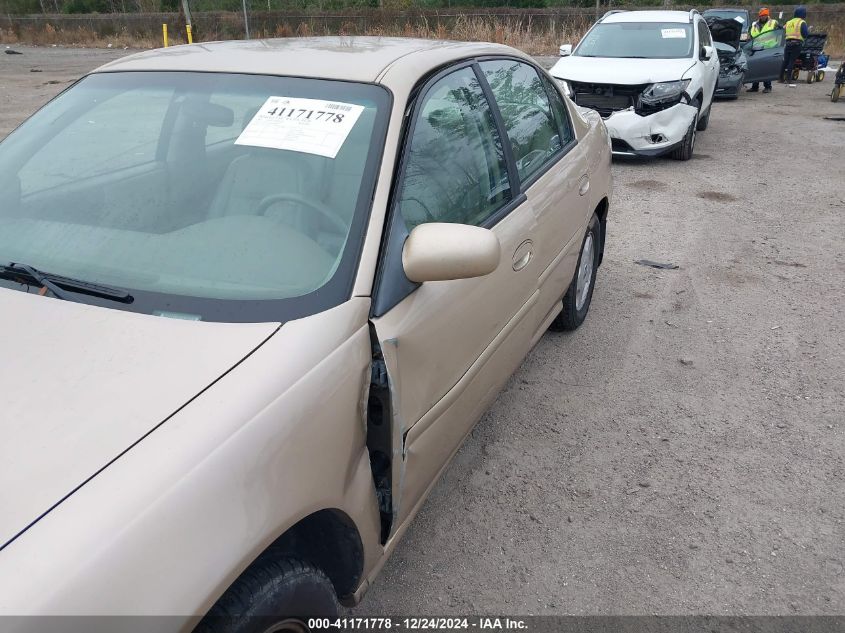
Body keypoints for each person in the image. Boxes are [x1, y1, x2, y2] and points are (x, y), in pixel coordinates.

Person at [747, 8, 779, 92]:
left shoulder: (774, 23)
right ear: (759, 16)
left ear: (767, 15)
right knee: (755, 67)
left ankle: (768, 87)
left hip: (768, 48)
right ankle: (755, 86)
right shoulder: (754, 24)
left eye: (764, 15)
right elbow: (750, 35)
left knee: (766, 68)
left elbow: (780, 33)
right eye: (761, 15)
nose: (763, 17)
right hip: (756, 48)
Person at [781, 6, 810, 82]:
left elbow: (783, 29)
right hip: (796, 44)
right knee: (792, 61)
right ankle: (788, 79)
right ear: (803, 14)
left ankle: (780, 78)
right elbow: (805, 34)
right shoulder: (802, 22)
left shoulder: (789, 22)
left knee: (785, 61)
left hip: (787, 43)